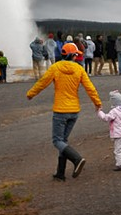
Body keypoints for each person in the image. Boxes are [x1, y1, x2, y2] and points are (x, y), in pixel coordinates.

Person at [26, 42, 102, 181]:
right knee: (63, 141)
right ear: (72, 55)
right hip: (74, 111)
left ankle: (77, 159)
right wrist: (97, 103)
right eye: (76, 55)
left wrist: (31, 94)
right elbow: (90, 87)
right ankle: (60, 173)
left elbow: (42, 82)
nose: (77, 58)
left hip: (61, 110)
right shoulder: (79, 69)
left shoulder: (56, 67)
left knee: (57, 141)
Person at [96, 89, 121, 170]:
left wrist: (100, 112)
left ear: (113, 101)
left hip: (119, 134)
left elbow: (106, 118)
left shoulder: (114, 111)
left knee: (118, 150)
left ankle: (120, 164)